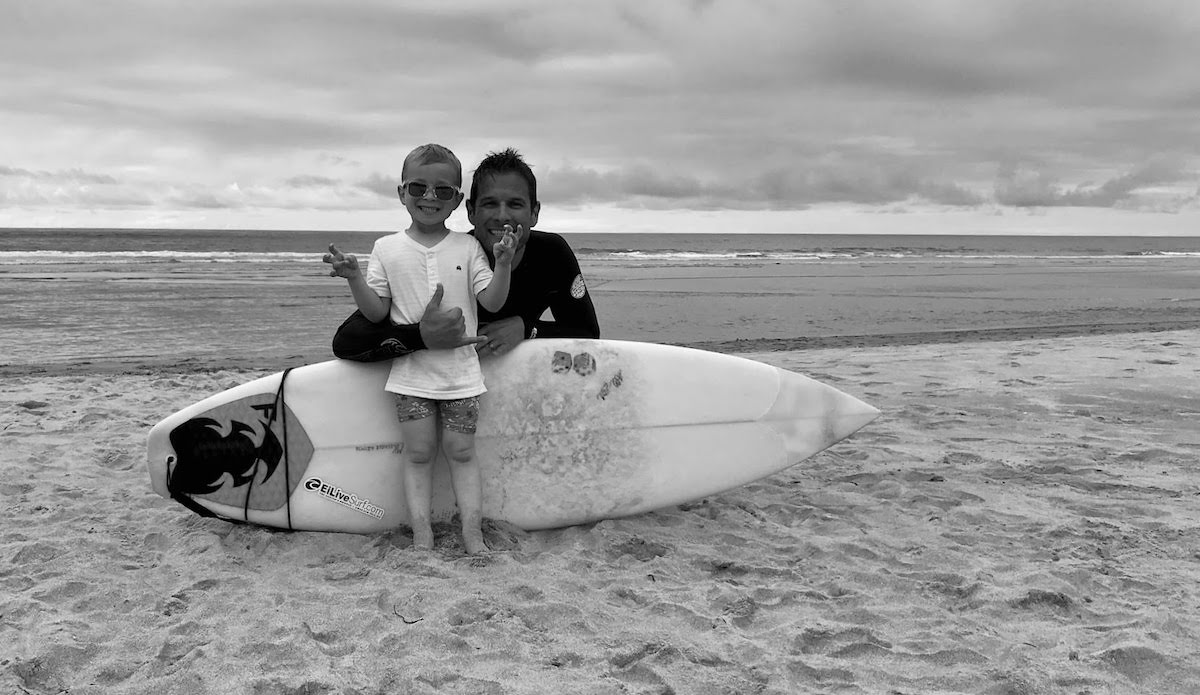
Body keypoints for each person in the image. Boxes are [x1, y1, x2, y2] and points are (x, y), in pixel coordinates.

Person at [326, 143, 517, 555]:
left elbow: (492, 303)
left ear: (457, 200)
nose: (429, 198)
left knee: (462, 453)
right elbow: (377, 312)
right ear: (401, 193)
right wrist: (354, 279)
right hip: (411, 376)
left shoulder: (468, 248)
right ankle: (422, 534)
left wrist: (502, 264)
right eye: (418, 188)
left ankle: (472, 534)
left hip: (462, 376)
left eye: (442, 191)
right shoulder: (386, 248)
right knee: (418, 454)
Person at [325, 147, 600, 363]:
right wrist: (422, 336)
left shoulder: (551, 254)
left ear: (534, 212)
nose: (502, 216)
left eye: (515, 204)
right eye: (490, 204)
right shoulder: (451, 256)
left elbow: (587, 331)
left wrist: (526, 328)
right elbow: (348, 341)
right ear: (470, 211)